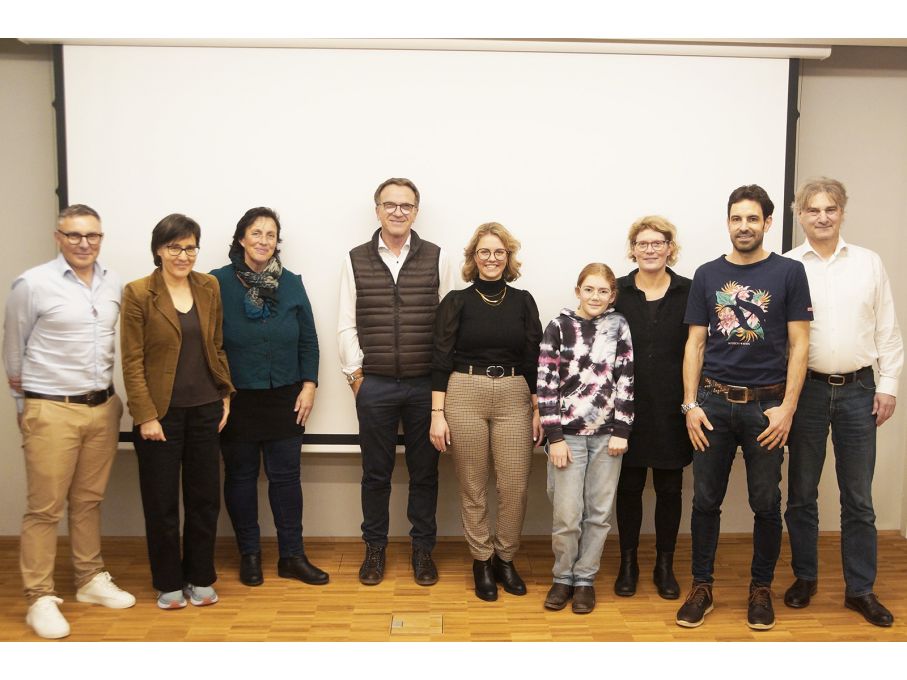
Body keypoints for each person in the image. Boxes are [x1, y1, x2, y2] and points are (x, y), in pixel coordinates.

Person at [676, 185, 812, 631]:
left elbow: (799, 344)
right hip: (713, 404)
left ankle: (760, 590)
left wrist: (788, 408)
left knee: (766, 502)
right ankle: (702, 587)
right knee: (705, 501)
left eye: (753, 219)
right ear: (728, 222)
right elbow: (695, 343)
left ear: (767, 223)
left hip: (766, 407)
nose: (744, 226)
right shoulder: (708, 274)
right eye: (737, 218)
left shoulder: (789, 273)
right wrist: (691, 404)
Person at [3, 204, 135, 639]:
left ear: (101, 238)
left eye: (92, 236)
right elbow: (14, 351)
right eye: (75, 235)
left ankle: (89, 579)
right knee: (44, 508)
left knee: (88, 501)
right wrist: (27, 408)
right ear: (58, 237)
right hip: (51, 408)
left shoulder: (112, 282)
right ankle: (39, 596)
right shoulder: (33, 284)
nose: (84, 244)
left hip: (102, 406)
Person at [783, 177, 903, 627]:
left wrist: (888, 385)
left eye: (830, 209)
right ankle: (805, 578)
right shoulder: (789, 266)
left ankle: (861, 590)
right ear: (800, 215)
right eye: (813, 210)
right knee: (801, 495)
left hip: (859, 391)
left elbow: (888, 330)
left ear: (843, 212)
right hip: (806, 392)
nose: (822, 217)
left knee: (858, 498)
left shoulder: (869, 263)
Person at [337, 178, 456, 586]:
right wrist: (357, 379)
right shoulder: (355, 259)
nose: (398, 212)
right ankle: (375, 550)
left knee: (425, 473)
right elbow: (346, 324)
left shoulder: (439, 258)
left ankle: (422, 551)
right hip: (377, 386)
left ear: (416, 211)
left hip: (425, 386)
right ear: (377, 210)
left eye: (406, 205)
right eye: (390, 205)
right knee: (376, 474)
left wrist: (443, 383)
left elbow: (449, 326)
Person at [211, 207, 328, 588]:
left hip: (285, 397)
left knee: (286, 480)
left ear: (278, 242)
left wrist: (309, 385)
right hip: (237, 398)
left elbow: (309, 338)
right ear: (241, 238)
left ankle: (291, 555)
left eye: (271, 235)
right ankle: (249, 554)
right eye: (256, 233)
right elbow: (210, 344)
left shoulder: (291, 283)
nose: (264, 241)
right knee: (241, 478)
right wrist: (219, 392)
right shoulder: (217, 283)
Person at [121, 213, 234, 609]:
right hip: (160, 416)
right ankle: (168, 581)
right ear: (158, 249)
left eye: (190, 247)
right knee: (162, 503)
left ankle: (200, 577)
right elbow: (132, 362)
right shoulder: (137, 293)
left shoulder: (209, 286)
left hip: (205, 408)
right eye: (175, 247)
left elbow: (216, 345)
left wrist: (225, 393)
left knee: (205, 500)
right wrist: (145, 415)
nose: (184, 255)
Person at [430, 222, 543, 601]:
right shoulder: (456, 302)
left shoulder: (523, 300)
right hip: (464, 392)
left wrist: (538, 408)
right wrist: (437, 413)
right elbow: (440, 358)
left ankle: (504, 559)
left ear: (508, 257)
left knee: (514, 486)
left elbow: (533, 358)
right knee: (473, 486)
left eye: (498, 252)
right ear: (473, 258)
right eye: (484, 252)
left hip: (514, 394)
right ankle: (481, 560)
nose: (491, 259)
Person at [537, 263, 632, 614]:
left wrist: (622, 429)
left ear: (612, 295)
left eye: (603, 291)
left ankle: (584, 580)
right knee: (566, 513)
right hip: (568, 437)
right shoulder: (559, 327)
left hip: (608, 437)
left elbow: (626, 378)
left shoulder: (619, 326)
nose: (596, 296)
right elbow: (546, 384)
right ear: (578, 290)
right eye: (589, 289)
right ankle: (562, 577)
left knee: (599, 512)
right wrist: (554, 437)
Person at [613, 216, 692, 600]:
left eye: (657, 243)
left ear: (669, 248)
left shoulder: (689, 292)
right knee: (627, 488)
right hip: (626, 408)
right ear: (633, 249)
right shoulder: (618, 292)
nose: (650, 249)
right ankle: (628, 564)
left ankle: (665, 565)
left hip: (672, 408)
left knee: (670, 489)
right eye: (642, 243)